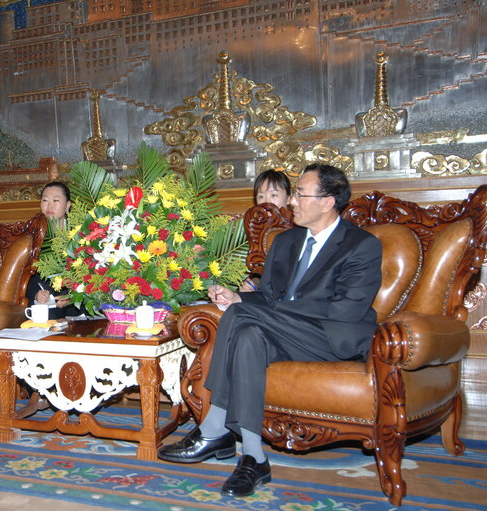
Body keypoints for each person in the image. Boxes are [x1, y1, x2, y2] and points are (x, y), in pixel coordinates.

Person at [157, 164, 382, 498]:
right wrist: (240, 297)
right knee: (247, 332)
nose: (291, 201)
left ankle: (214, 428)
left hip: (329, 337)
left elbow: (345, 310)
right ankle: (253, 456)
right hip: (278, 331)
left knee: (241, 317)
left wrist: (262, 310)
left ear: (327, 202)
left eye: (300, 194)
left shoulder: (360, 245)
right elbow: (270, 294)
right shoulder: (286, 241)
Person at [26, 181, 81, 320]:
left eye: (55, 200)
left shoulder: (80, 234)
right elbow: (26, 274)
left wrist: (74, 296)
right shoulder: (32, 236)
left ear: (68, 205)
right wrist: (37, 295)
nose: (49, 205)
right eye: (45, 200)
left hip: (77, 297)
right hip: (47, 300)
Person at [238, 169, 291, 292]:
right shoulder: (254, 230)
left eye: (274, 195)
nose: (267, 201)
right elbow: (260, 266)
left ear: (289, 198)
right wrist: (252, 284)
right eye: (261, 196)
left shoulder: (299, 229)